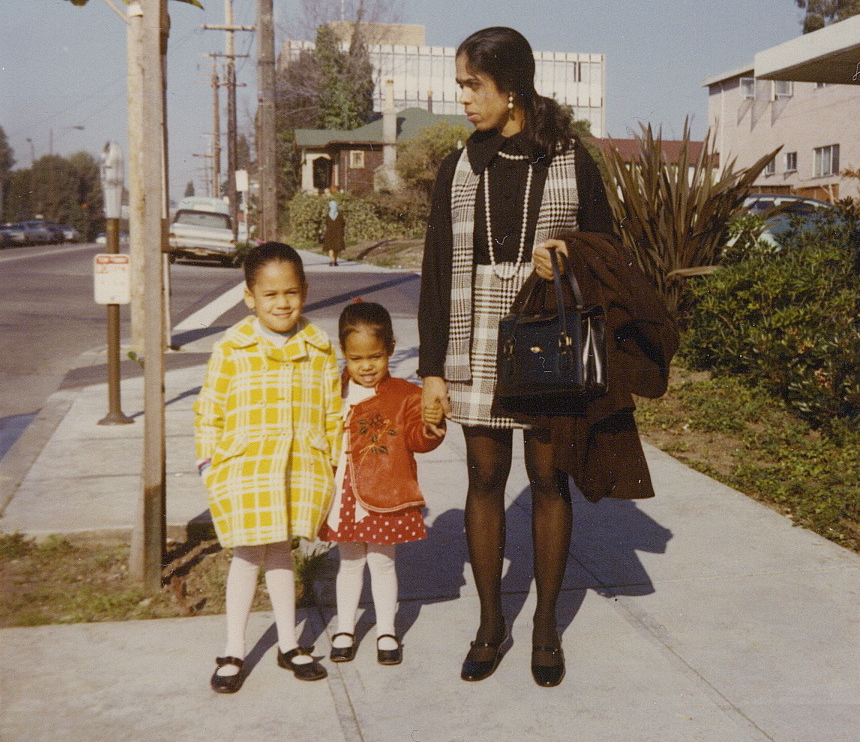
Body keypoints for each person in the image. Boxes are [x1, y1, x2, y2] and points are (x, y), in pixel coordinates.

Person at [418, 26, 654, 688]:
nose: (462, 97)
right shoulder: (458, 167)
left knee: (548, 480)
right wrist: (432, 370)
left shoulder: (572, 160)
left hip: (547, 339)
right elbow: (436, 272)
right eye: (461, 84)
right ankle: (492, 623)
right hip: (472, 340)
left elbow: (609, 252)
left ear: (512, 88)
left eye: (473, 84)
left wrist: (568, 254)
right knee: (484, 477)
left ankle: (546, 625)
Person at [194, 242, 342, 693]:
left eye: (291, 293)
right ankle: (234, 648)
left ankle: (287, 642)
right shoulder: (232, 347)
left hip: (298, 467)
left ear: (305, 291)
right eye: (271, 294)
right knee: (246, 555)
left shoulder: (319, 348)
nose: (282, 303)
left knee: (281, 553)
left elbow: (332, 410)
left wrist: (332, 461)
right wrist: (208, 462)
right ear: (250, 297)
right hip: (246, 469)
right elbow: (210, 409)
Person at [319, 301, 445, 665]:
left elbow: (419, 441)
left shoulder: (405, 394)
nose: (367, 366)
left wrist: (431, 423)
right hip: (343, 492)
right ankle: (345, 628)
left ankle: (387, 629)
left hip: (385, 492)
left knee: (383, 562)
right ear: (344, 354)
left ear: (390, 348)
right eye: (357, 359)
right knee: (350, 562)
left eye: (375, 356)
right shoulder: (333, 390)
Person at [324, 199, 345, 266]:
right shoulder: (340, 215)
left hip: (329, 233)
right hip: (338, 233)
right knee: (336, 248)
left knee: (330, 248)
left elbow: (326, 223)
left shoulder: (327, 215)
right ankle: (335, 261)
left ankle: (331, 260)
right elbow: (343, 223)